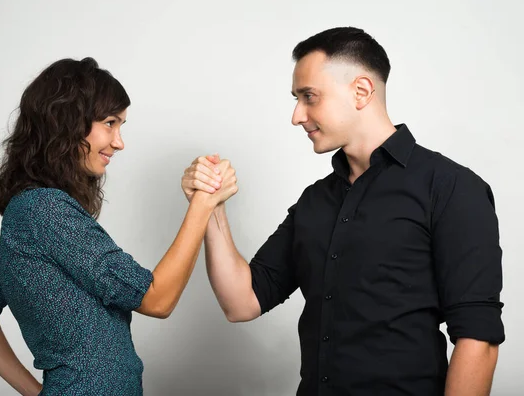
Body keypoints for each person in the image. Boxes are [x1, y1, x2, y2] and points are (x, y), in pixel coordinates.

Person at [182, 27, 505, 395]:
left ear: (362, 91)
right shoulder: (314, 201)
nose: (296, 115)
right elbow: (242, 302)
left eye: (309, 97)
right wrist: (211, 204)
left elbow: (479, 338)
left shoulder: (451, 188)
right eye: (296, 98)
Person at [0, 57, 237, 395]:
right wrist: (202, 202)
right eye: (109, 123)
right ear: (66, 122)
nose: (119, 142)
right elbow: (157, 299)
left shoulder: (30, 220)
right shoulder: (45, 211)